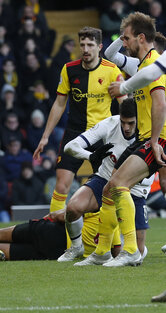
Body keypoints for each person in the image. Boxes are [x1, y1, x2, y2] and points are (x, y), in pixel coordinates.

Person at [88, 12, 166, 267]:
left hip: (159, 139)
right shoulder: (143, 65)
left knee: (119, 183)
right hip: (147, 138)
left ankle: (131, 251)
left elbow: (160, 102)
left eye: (128, 38)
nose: (125, 43)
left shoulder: (154, 64)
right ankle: (101, 252)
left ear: (141, 38)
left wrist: (155, 140)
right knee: (112, 187)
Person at [33, 27, 125, 213]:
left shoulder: (111, 70)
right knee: (61, 185)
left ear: (99, 47)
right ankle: (53, 232)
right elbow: (59, 104)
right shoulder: (69, 69)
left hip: (103, 135)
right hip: (75, 133)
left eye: (90, 45)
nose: (85, 49)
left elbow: (125, 104)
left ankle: (112, 240)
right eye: (82, 44)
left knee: (107, 189)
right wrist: (45, 137)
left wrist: (127, 135)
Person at [57, 98, 152, 263]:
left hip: (135, 189)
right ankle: (77, 246)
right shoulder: (110, 123)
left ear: (139, 119)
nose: (126, 127)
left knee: (137, 253)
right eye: (123, 122)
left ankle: (114, 249)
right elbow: (69, 146)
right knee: (73, 208)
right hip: (105, 179)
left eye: (131, 123)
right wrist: (91, 156)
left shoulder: (150, 131)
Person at [0, 208, 120, 263]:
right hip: (58, 253)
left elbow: (62, 216)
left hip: (52, 232)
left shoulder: (97, 203)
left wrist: (47, 219)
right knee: (3, 250)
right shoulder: (116, 225)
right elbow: (117, 252)